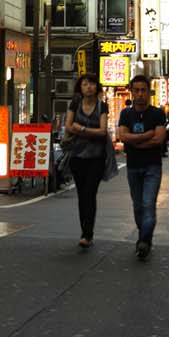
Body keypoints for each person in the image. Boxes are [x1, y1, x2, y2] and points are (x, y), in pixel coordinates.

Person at [117, 73, 167, 261]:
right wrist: (145, 136)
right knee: (137, 206)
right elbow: (123, 136)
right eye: (136, 90)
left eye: (143, 90)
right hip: (133, 167)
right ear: (131, 92)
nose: (140, 94)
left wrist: (134, 141)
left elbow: (159, 139)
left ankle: (144, 240)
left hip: (152, 166)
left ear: (149, 92)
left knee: (148, 204)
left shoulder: (157, 113)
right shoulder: (126, 113)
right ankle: (144, 236)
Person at [64, 75, 109, 248]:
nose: (89, 87)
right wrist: (91, 131)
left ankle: (87, 234)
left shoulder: (102, 106)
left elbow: (103, 131)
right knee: (82, 194)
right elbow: (68, 126)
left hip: (96, 157)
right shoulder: (75, 104)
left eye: (91, 83)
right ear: (80, 87)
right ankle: (85, 230)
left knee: (90, 193)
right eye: (85, 84)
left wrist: (81, 129)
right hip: (77, 156)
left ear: (96, 87)